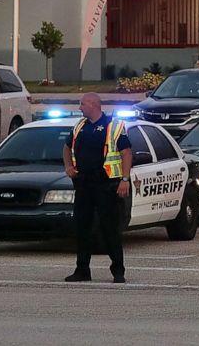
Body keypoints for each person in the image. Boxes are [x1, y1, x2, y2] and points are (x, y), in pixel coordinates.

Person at [62, 93, 132, 284]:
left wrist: (125, 179)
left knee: (109, 228)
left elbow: (126, 153)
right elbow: (67, 147)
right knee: (82, 227)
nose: (80, 107)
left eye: (82, 104)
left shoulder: (113, 126)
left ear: (93, 104)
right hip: (84, 184)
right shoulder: (80, 126)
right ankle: (82, 270)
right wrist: (68, 167)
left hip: (106, 185)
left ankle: (118, 271)